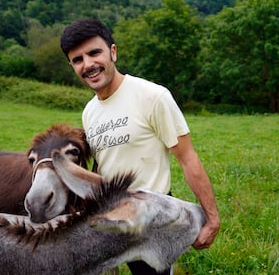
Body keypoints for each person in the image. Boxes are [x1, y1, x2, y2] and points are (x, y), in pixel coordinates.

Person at [60, 19, 220, 275]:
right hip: (109, 217)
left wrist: (212, 219)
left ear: (112, 52)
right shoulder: (89, 112)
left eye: (94, 53)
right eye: (77, 59)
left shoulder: (152, 96)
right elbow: (103, 164)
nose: (88, 64)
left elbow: (188, 158)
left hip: (150, 221)